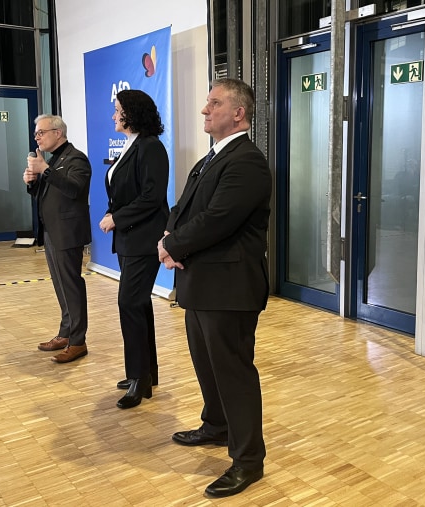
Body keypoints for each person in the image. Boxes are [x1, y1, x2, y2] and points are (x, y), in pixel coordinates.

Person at [158, 78, 271, 498]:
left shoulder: (247, 162)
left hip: (229, 288)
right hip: (200, 282)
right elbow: (184, 208)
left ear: (238, 113)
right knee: (207, 364)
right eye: (206, 103)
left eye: (214, 103)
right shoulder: (211, 159)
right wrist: (169, 238)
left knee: (233, 372)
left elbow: (219, 219)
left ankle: (248, 461)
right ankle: (216, 424)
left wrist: (170, 245)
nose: (205, 110)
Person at [98, 90, 169, 409]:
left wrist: (117, 218)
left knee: (129, 303)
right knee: (137, 306)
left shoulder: (151, 147)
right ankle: (143, 374)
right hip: (130, 239)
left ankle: (139, 381)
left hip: (142, 239)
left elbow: (152, 197)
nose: (113, 116)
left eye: (117, 110)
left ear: (132, 113)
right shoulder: (133, 144)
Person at [24, 114, 92, 363]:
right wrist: (32, 183)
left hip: (68, 232)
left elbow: (74, 189)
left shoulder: (77, 159)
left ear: (58, 133)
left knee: (71, 285)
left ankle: (78, 341)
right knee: (60, 285)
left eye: (41, 132)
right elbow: (46, 194)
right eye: (36, 134)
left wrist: (46, 171)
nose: (37, 137)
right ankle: (66, 332)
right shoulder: (53, 160)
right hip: (51, 231)